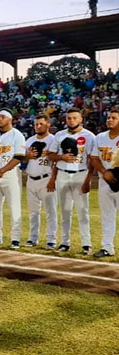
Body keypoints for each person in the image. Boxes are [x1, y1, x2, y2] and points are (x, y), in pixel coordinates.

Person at [48, 108, 94, 254]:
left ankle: (86, 244)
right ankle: (64, 242)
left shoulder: (89, 136)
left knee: (83, 211)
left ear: (81, 119)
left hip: (80, 174)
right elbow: (50, 155)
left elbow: (92, 159)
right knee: (65, 210)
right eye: (69, 118)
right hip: (62, 174)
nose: (71, 120)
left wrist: (88, 179)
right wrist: (62, 158)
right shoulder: (59, 135)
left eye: (74, 118)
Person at [0, 108, 26, 248]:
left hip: (11, 175)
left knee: (14, 207)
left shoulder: (17, 135)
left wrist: (2, 170)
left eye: (2, 117)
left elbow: (19, 157)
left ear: (9, 119)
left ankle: (15, 238)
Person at [23, 115, 57, 250]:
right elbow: (23, 161)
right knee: (33, 212)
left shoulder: (54, 140)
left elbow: (56, 162)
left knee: (51, 211)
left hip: (46, 178)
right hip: (31, 179)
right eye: (36, 124)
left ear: (48, 124)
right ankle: (32, 238)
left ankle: (51, 240)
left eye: (41, 124)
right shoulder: (29, 140)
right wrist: (27, 156)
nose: (37, 126)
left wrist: (53, 180)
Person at [90, 109, 119, 257]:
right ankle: (107, 247)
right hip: (104, 180)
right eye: (109, 117)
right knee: (107, 216)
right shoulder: (100, 137)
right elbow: (94, 157)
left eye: (114, 118)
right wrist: (104, 172)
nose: (110, 120)